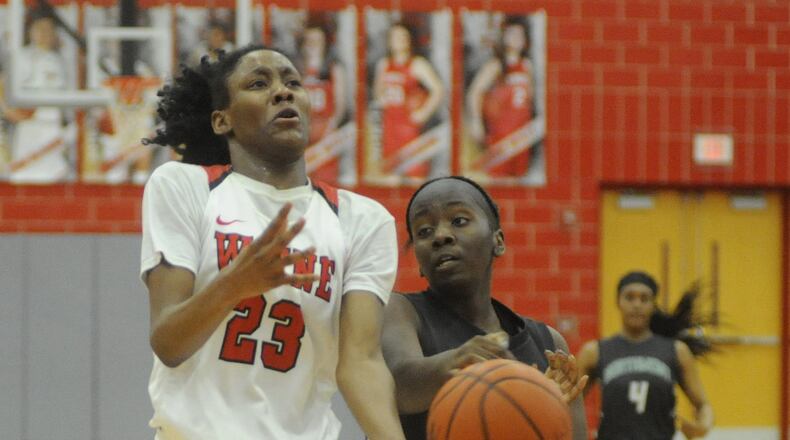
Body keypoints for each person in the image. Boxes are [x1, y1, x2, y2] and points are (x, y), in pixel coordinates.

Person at [140, 45, 404, 439]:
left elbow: (361, 362)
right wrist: (235, 284)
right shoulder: (185, 187)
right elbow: (168, 342)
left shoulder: (362, 220)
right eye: (258, 83)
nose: (283, 92)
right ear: (221, 120)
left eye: (293, 82)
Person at [381, 176, 588, 440]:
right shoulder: (401, 311)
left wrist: (543, 405)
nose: (441, 236)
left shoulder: (547, 341)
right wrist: (457, 361)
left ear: (497, 241)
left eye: (458, 221)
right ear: (419, 263)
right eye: (424, 231)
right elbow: (398, 385)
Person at [576, 271, 714, 440]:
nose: (637, 304)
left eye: (644, 299)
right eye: (629, 297)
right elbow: (569, 403)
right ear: (618, 302)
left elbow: (703, 405)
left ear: (653, 304)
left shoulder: (677, 351)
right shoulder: (594, 351)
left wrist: (701, 427)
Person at [0, 9, 74, 183]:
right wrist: (10, 112)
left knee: (57, 179)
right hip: (30, 128)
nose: (44, 34)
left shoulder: (63, 60)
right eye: (39, 28)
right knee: (26, 177)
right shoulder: (23, 56)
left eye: (49, 29)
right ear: (30, 31)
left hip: (55, 129)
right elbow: (2, 84)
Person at [466, 16, 535, 178]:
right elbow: (475, 92)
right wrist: (476, 121)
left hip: (522, 133)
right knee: (501, 179)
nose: (516, 39)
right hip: (501, 132)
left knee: (519, 177)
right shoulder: (496, 65)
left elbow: (529, 98)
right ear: (504, 38)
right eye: (512, 34)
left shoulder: (527, 65)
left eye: (520, 35)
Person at [373, 22, 443, 179]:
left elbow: (438, 90)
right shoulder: (383, 64)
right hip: (390, 128)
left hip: (411, 130)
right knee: (390, 180)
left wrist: (423, 113)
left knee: (415, 180)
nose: (399, 40)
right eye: (395, 36)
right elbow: (378, 92)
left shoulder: (417, 64)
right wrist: (381, 99)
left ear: (410, 40)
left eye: (403, 36)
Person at [295, 18, 347, 183]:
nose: (313, 44)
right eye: (309, 40)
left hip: (325, 129)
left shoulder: (333, 67)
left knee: (325, 181)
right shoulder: (298, 67)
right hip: (303, 130)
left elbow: (341, 103)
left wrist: (332, 127)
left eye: (317, 40)